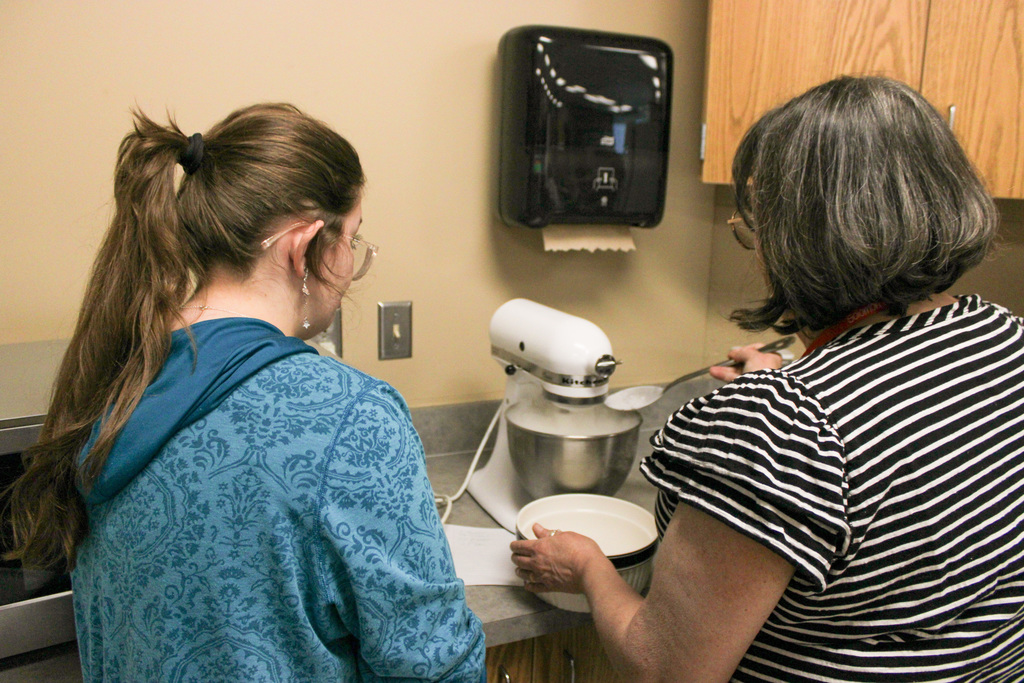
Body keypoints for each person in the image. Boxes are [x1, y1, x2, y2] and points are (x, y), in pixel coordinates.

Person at [511, 76, 1024, 682]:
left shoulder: (779, 422)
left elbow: (666, 671)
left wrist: (590, 570)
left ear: (797, 233)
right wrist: (789, 391)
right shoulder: (1005, 337)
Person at [5, 103, 485, 682]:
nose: (352, 263)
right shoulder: (351, 418)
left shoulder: (116, 374)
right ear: (302, 248)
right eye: (352, 240)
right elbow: (435, 667)